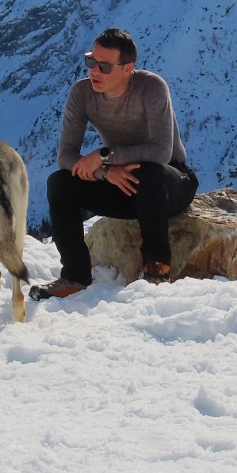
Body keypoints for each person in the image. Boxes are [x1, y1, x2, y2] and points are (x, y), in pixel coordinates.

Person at [30, 27, 199, 299]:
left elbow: (161, 152)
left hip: (169, 185)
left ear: (127, 68)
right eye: (90, 61)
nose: (94, 71)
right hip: (122, 185)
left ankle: (156, 272)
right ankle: (74, 276)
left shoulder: (152, 88)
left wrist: (104, 155)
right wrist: (107, 172)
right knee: (59, 183)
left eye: (104, 66)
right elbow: (66, 157)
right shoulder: (82, 94)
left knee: (150, 172)